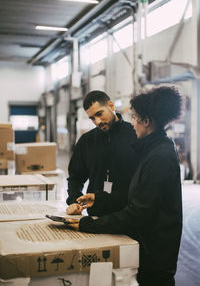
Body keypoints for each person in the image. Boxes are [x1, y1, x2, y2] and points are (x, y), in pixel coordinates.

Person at [67, 86, 183, 286]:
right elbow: (138, 196)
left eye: (135, 118)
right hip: (132, 234)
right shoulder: (153, 149)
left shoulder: (157, 156)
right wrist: (98, 198)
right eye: (91, 118)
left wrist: (88, 225)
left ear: (146, 121)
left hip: (152, 248)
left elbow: (137, 211)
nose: (133, 123)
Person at [66, 90, 138, 215]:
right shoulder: (86, 141)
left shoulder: (135, 135)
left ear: (111, 106)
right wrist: (75, 200)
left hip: (128, 216)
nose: (97, 121)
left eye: (99, 114)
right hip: (96, 216)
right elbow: (75, 178)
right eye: (92, 118)